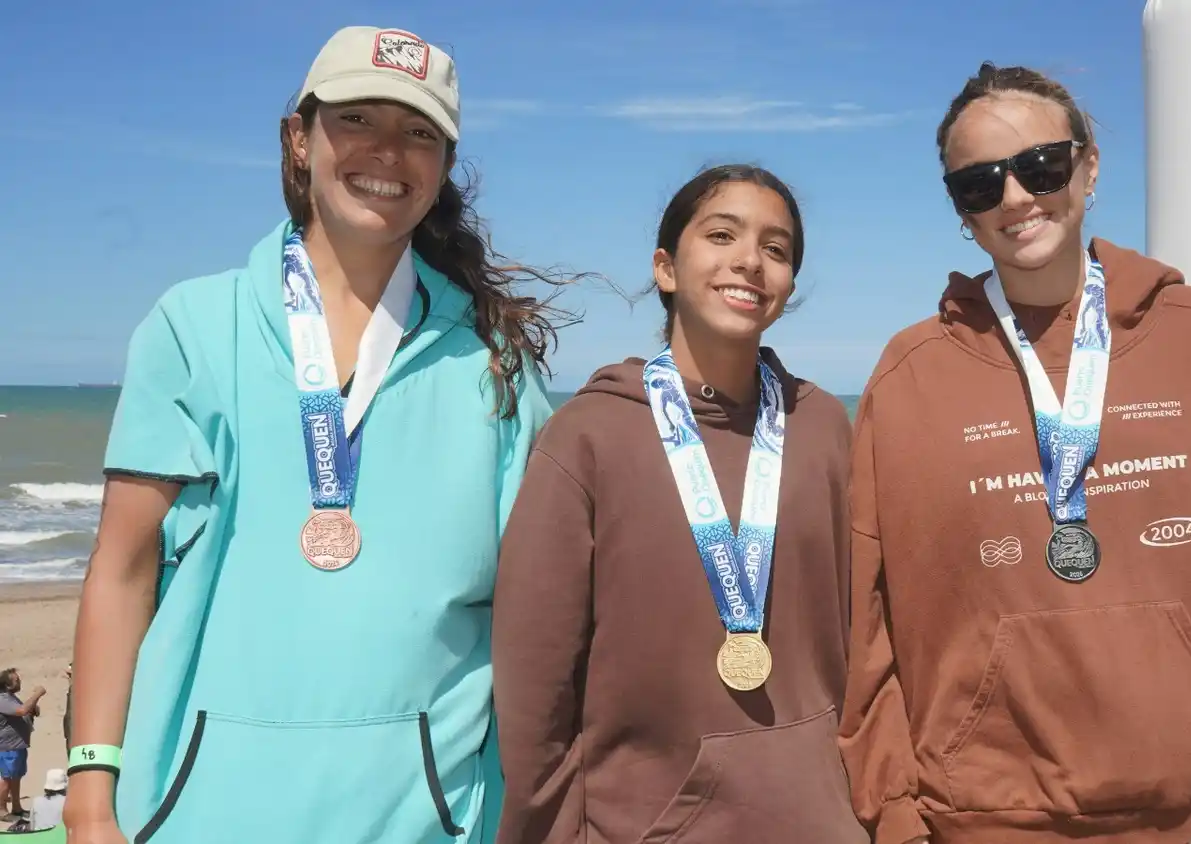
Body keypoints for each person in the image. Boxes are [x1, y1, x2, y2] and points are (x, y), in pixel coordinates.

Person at [63, 25, 565, 844]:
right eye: (357, 120)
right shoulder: (194, 327)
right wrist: (90, 799)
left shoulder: (492, 360)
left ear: (443, 167)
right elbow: (121, 574)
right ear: (300, 139)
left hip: (430, 819)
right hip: (200, 813)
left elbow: (533, 608)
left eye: (419, 133)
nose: (388, 152)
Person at [837, 63, 1191, 844]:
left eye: (1040, 166)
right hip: (985, 820)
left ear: (1089, 166)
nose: (1014, 198)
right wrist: (893, 806)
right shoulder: (910, 374)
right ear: (960, 211)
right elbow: (865, 612)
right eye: (978, 184)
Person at [493, 164, 867, 844]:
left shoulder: (823, 427)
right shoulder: (587, 436)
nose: (750, 261)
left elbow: (863, 635)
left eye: (776, 249)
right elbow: (534, 683)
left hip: (823, 822)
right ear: (666, 267)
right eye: (722, 235)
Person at [0, 669, 43, 823]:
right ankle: (1, 809)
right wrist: (38, 693)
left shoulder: (11, 698)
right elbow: (21, 710)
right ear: (7, 685)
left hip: (18, 745)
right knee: (6, 778)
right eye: (16, 680)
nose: (19, 682)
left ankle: (16, 807)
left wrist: (33, 708)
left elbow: (24, 711)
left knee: (16, 777)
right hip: (8, 747)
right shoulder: (2, 699)